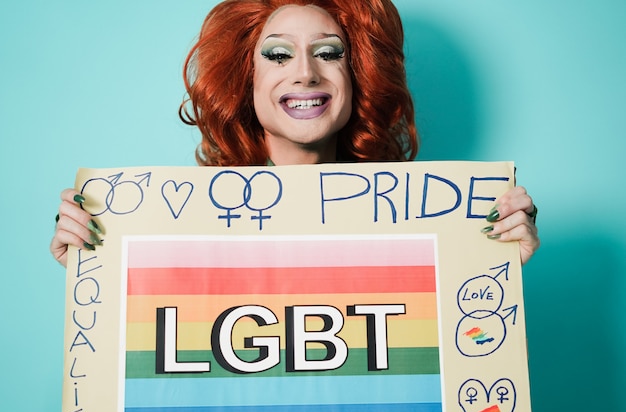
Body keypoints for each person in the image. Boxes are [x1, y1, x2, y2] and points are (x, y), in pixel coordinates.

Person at [50, 0, 539, 267]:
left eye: (328, 53)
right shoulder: (173, 227)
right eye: (278, 55)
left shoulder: (427, 225)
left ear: (358, 77)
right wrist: (94, 261)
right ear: (246, 80)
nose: (305, 73)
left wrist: (493, 260)